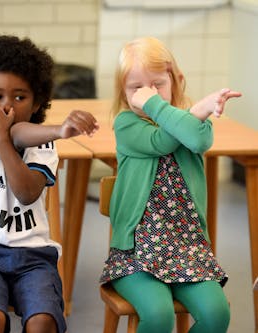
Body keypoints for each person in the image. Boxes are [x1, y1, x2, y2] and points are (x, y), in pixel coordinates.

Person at [0, 34, 99, 333]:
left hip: (35, 258)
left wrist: (52, 134)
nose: (7, 107)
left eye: (19, 97)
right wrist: (57, 130)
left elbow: (27, 191)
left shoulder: (43, 146)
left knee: (43, 322)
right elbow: (12, 135)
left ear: (37, 102)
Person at [99, 36, 242, 333]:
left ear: (176, 81)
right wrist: (172, 107)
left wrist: (192, 113)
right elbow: (161, 142)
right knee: (158, 315)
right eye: (136, 88)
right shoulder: (127, 124)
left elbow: (198, 138)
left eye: (157, 85)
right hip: (136, 253)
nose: (146, 95)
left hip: (187, 249)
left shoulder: (187, 123)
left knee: (217, 314)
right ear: (123, 93)